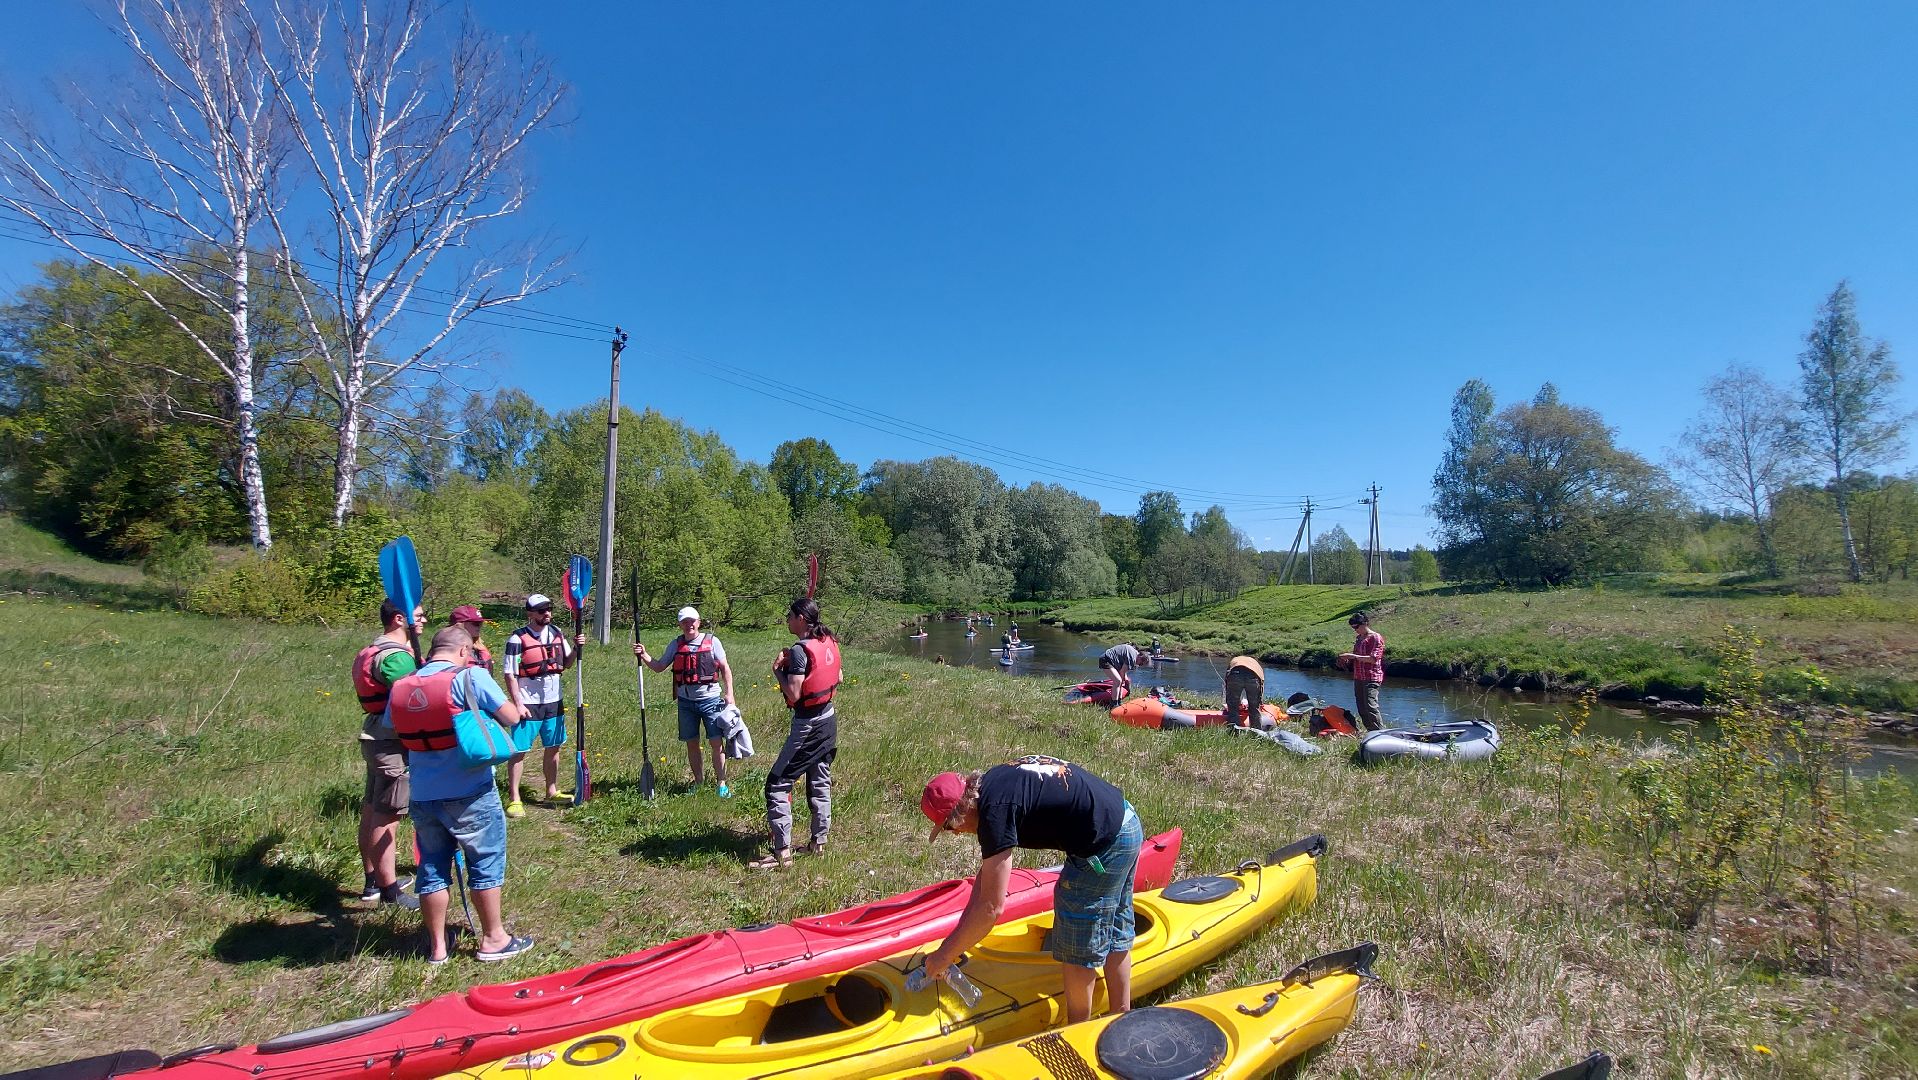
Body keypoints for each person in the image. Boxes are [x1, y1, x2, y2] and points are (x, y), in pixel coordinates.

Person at [920, 755, 1144, 1024]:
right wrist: (952, 945)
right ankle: (1122, 1015)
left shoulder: (995, 813)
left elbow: (991, 907)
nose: (955, 833)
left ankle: (1079, 1030)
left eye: (949, 826)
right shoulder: (992, 786)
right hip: (1124, 821)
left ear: (963, 809)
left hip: (1103, 843)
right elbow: (984, 885)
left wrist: (944, 956)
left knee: (1077, 937)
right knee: (1115, 926)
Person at [385, 626, 532, 964]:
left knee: (432, 867)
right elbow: (510, 717)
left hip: (422, 794)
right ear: (465, 651)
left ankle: (437, 947)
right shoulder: (471, 677)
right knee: (484, 862)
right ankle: (494, 939)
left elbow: (394, 727)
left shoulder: (404, 684)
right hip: (469, 791)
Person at [749, 598, 841, 870]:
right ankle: (818, 843)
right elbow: (839, 677)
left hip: (809, 725)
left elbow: (794, 693)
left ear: (801, 618)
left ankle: (782, 853)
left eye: (789, 616)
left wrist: (779, 671)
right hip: (829, 720)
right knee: (819, 780)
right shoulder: (829, 640)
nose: (786, 620)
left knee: (777, 784)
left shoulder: (800, 650)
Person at [351, 600, 425, 909]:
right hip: (392, 743)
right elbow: (418, 699)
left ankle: (373, 881)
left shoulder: (371, 650)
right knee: (387, 816)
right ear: (399, 618)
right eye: (418, 616)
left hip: (376, 736)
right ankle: (390, 891)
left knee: (372, 809)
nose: (423, 621)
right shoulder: (397, 659)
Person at [636, 606, 739, 797]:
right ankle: (698, 782)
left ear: (698, 622)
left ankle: (721, 784)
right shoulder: (676, 645)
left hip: (711, 700)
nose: (689, 625)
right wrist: (644, 655)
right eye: (684, 622)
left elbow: (725, 668)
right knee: (692, 743)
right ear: (680, 624)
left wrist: (729, 693)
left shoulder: (712, 641)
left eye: (692, 621)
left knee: (716, 742)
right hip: (685, 703)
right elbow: (659, 666)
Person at [501, 593, 584, 817]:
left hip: (553, 701)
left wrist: (576, 649)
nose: (546, 613)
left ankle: (551, 790)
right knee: (519, 751)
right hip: (528, 703)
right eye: (540, 610)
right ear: (530, 613)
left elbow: (566, 663)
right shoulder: (517, 639)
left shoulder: (557, 633)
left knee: (554, 747)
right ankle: (514, 798)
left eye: (548, 609)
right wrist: (517, 703)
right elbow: (510, 674)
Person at [1336, 610, 1386, 731]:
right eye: (1353, 627)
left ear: (1365, 624)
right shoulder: (1359, 638)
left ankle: (1381, 733)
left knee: (1371, 707)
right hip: (1358, 677)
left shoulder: (1376, 638)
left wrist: (1352, 656)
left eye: (1356, 627)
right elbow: (1357, 656)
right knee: (1362, 708)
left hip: (1372, 677)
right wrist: (1346, 661)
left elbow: (1373, 659)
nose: (1355, 629)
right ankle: (1371, 732)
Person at [1222, 655, 1266, 728]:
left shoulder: (1234, 660)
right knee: (1254, 707)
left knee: (1233, 706)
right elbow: (1261, 682)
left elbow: (1227, 677)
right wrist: (1260, 700)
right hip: (1253, 677)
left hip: (1235, 675)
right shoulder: (1255, 664)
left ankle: (1234, 729)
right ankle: (1256, 731)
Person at [449, 604, 494, 676]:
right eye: (475, 623)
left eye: (480, 623)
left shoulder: (480, 650)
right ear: (460, 625)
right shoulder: (447, 650)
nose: (479, 627)